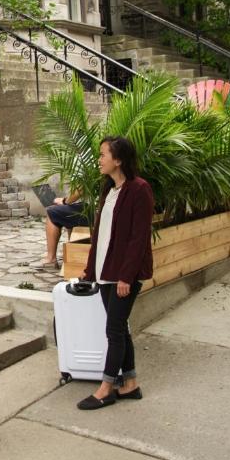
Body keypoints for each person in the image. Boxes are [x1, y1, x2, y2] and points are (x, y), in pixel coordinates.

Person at [77, 136, 154, 411]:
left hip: (123, 275)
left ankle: (107, 388)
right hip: (104, 271)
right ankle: (130, 384)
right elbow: (101, 236)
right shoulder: (109, 190)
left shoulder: (139, 189)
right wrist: (90, 271)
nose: (99, 159)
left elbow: (138, 238)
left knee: (114, 331)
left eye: (103, 155)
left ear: (118, 159)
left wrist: (126, 277)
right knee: (120, 329)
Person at [33, 191, 88, 270]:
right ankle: (69, 252)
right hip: (97, 209)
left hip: (93, 212)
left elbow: (80, 190)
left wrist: (64, 201)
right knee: (68, 209)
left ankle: (51, 258)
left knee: (52, 211)